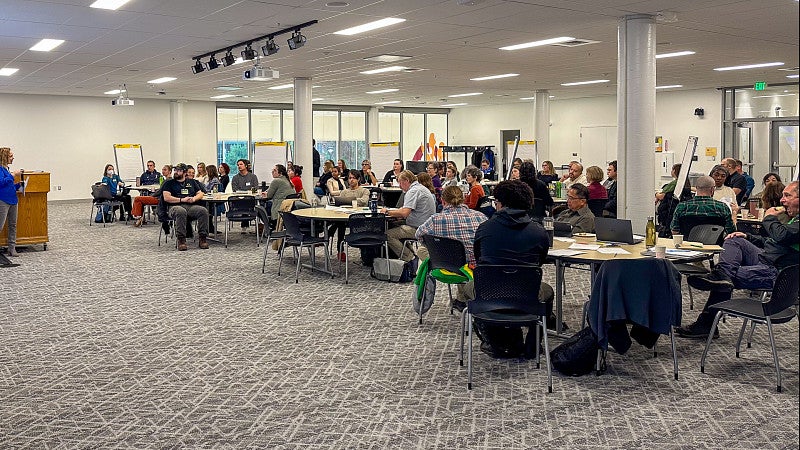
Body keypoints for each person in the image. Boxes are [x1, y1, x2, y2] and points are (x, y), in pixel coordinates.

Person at [677, 181, 799, 338]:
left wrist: (768, 218)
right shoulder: (793, 219)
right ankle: (722, 274)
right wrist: (747, 236)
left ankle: (706, 324)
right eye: (783, 195)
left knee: (726, 279)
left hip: (778, 272)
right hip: (766, 258)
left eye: (788, 196)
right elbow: (774, 242)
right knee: (734, 240)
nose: (782, 200)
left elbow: (781, 235)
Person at [472, 180, 554, 358]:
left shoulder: (484, 228)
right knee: (547, 291)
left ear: (500, 203)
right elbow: (540, 262)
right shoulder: (539, 231)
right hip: (526, 293)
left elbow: (479, 260)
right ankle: (533, 344)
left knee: (468, 290)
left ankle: (494, 339)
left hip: (488, 293)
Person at [380, 170, 436, 262]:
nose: (399, 186)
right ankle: (410, 253)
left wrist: (387, 212)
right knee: (395, 225)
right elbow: (405, 209)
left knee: (388, 235)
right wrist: (395, 212)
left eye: (400, 183)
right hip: (426, 226)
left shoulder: (413, 191)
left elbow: (404, 213)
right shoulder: (420, 188)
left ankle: (410, 258)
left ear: (406, 180)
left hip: (418, 228)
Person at [161, 163, 210, 251]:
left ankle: (203, 238)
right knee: (181, 211)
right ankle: (181, 239)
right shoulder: (169, 183)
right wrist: (182, 200)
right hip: (174, 206)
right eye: (175, 170)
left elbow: (200, 193)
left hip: (190, 206)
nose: (176, 172)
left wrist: (194, 199)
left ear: (184, 173)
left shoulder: (192, 182)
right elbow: (166, 197)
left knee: (203, 211)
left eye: (179, 171)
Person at [670, 176, 736, 236]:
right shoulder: (722, 207)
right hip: (715, 246)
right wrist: (734, 214)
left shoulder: (682, 206)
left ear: (696, 188)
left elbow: (674, 231)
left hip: (687, 245)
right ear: (712, 189)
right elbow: (731, 232)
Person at [330, 171, 371, 261]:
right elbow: (339, 202)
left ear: (358, 179)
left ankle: (330, 232)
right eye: (349, 178)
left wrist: (348, 201)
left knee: (338, 224)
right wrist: (350, 201)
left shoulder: (364, 190)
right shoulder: (344, 192)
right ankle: (340, 250)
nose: (351, 180)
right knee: (340, 223)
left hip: (359, 218)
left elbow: (364, 201)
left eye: (353, 178)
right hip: (344, 216)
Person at [0, 147, 22, 257]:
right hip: (3, 201)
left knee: (13, 225)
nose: (13, 158)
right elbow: (1, 183)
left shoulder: (7, 169)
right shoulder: (1, 169)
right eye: (11, 156)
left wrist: (19, 185)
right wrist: (13, 175)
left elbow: (8, 185)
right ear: (4, 157)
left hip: (13, 200)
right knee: (0, 225)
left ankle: (11, 248)